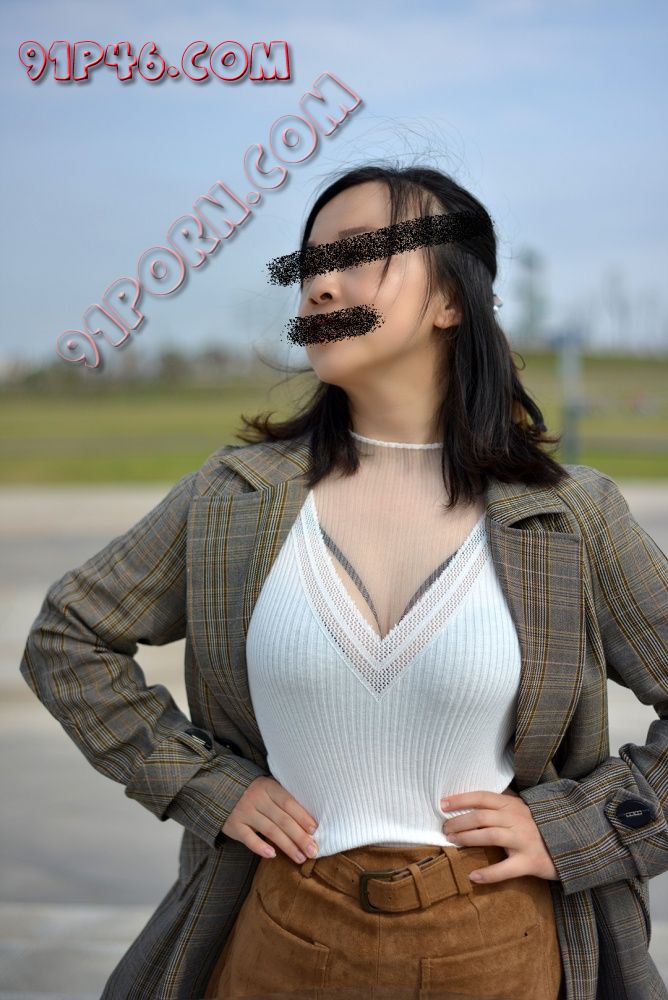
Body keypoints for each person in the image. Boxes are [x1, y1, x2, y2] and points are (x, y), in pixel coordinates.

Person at [19, 163, 668, 1000]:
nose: (319, 287)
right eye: (309, 264)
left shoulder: (571, 517)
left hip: (503, 950)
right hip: (276, 941)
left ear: (452, 299)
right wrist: (203, 782)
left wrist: (580, 830)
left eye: (359, 256)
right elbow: (68, 637)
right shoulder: (232, 499)